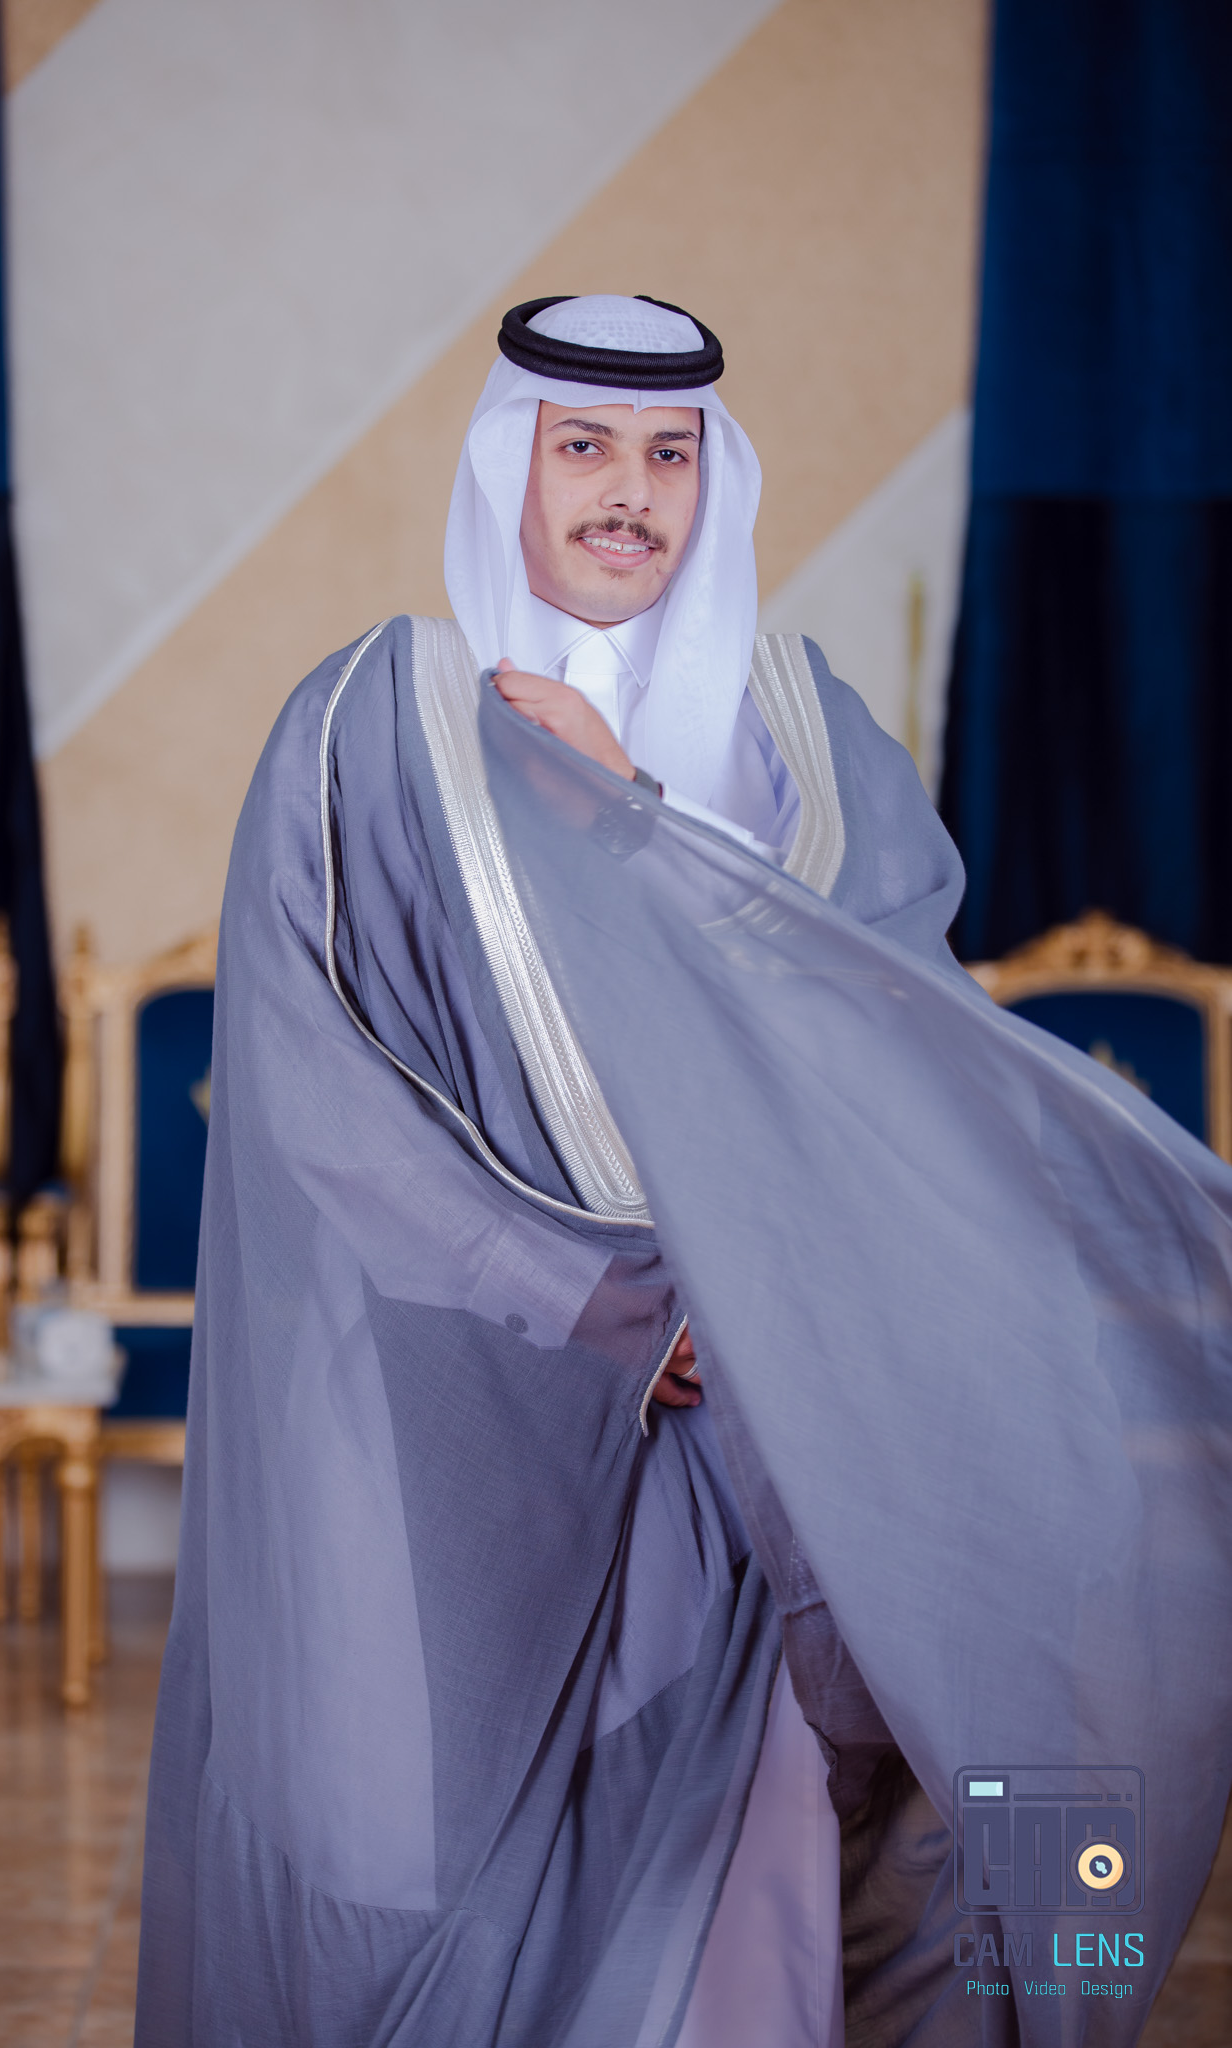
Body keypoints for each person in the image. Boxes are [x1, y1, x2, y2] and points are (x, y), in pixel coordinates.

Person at [136, 297, 1232, 2047]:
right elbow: (321, 1099)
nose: (627, 493)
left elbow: (889, 1039)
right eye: (582, 446)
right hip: (486, 1403)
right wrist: (608, 1306)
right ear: (508, 465)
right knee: (471, 1858)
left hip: (795, 1395)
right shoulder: (369, 724)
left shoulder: (809, 725)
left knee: (860, 1813)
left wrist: (631, 804)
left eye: (670, 453)